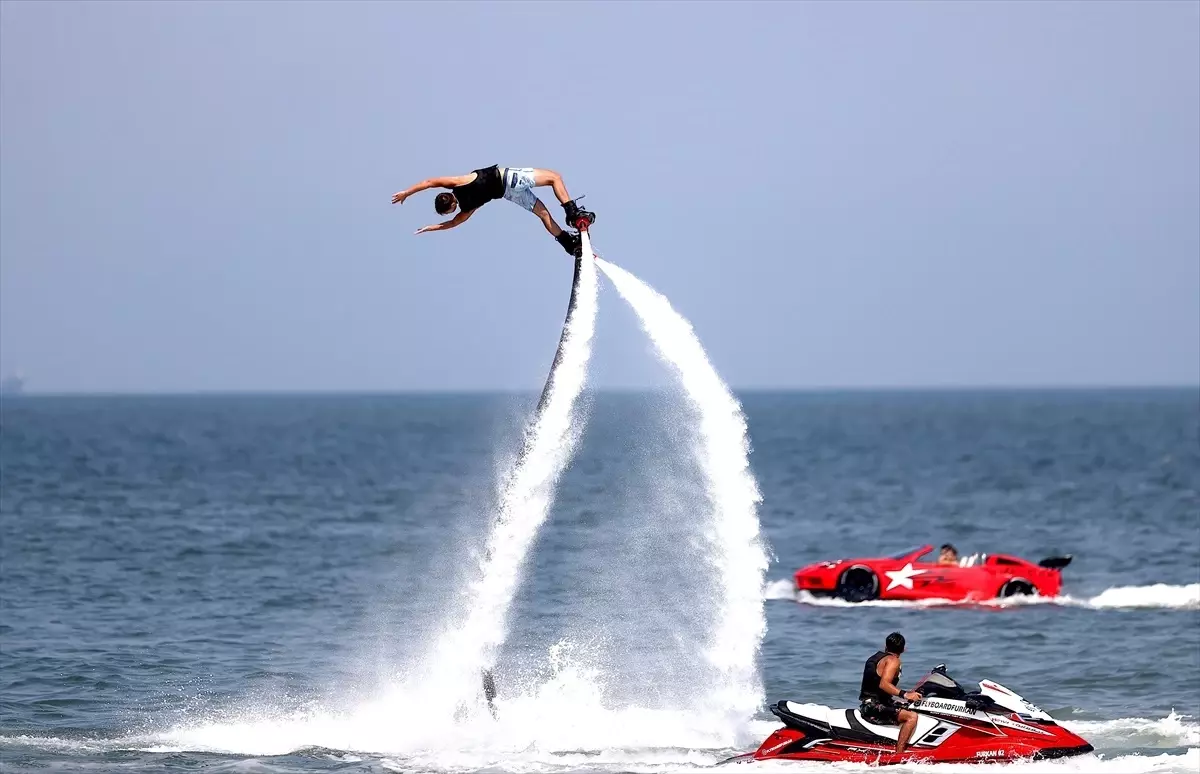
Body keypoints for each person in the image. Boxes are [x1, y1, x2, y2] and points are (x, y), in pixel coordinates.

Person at [391, 166, 595, 257]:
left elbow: (452, 224)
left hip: (508, 194)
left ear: (450, 208)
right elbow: (429, 182)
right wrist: (407, 193)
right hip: (509, 178)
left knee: (543, 214)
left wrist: (430, 228)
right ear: (448, 196)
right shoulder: (457, 183)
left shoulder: (466, 209)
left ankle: (569, 244)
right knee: (554, 178)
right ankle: (573, 214)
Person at [859, 632, 922, 755]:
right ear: (903, 649)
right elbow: (884, 684)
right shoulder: (893, 661)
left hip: (871, 703)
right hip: (873, 707)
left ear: (886, 646)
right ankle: (899, 754)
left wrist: (908, 695)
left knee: (911, 706)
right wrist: (905, 694)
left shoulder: (876, 657)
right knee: (912, 717)